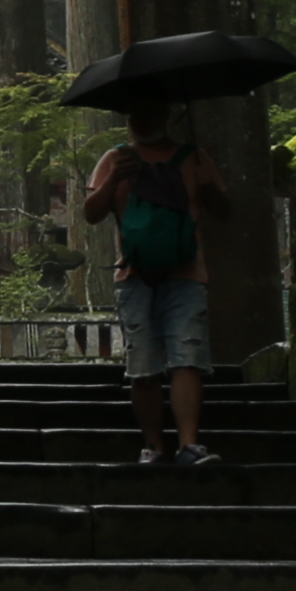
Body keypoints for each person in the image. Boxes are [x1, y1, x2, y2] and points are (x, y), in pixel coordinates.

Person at [77, 97, 230, 465]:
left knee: (187, 357)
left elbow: (225, 211)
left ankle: (188, 444)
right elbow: (91, 214)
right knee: (144, 365)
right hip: (135, 273)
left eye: (148, 111)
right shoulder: (115, 159)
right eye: (135, 113)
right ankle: (155, 444)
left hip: (186, 272)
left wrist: (209, 189)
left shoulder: (196, 159)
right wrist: (115, 177)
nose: (140, 119)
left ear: (165, 114)